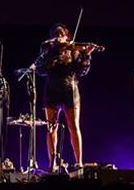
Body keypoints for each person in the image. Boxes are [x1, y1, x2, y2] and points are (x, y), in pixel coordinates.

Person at [36, 23, 95, 171]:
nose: (59, 37)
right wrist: (54, 55)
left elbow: (82, 71)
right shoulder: (47, 49)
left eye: (61, 34)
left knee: (74, 126)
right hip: (52, 90)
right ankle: (52, 163)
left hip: (70, 89)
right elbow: (40, 70)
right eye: (56, 35)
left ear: (67, 36)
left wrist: (87, 54)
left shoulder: (73, 50)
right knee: (51, 128)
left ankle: (79, 162)